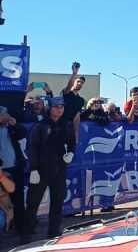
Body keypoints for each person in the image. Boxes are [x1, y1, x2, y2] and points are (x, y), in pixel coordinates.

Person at [24, 98, 75, 240]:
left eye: (61, 107)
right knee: (33, 203)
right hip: (40, 170)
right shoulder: (41, 125)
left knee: (57, 202)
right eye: (56, 107)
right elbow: (32, 147)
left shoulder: (66, 124)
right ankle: (26, 236)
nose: (59, 109)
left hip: (59, 169)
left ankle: (53, 235)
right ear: (50, 108)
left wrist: (71, 153)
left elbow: (72, 142)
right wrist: (33, 169)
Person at [0, 106, 26, 241]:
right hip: (1, 172)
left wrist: (16, 124)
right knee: (4, 203)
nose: (6, 116)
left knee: (18, 200)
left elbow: (24, 133)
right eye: (4, 114)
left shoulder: (10, 127)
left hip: (15, 168)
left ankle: (21, 230)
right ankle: (5, 230)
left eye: (6, 113)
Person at [61, 62, 84, 147]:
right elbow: (69, 86)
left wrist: (76, 135)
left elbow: (76, 118)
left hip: (69, 130)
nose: (80, 84)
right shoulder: (66, 93)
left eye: (82, 83)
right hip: (59, 127)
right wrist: (74, 73)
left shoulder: (81, 100)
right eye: (78, 81)